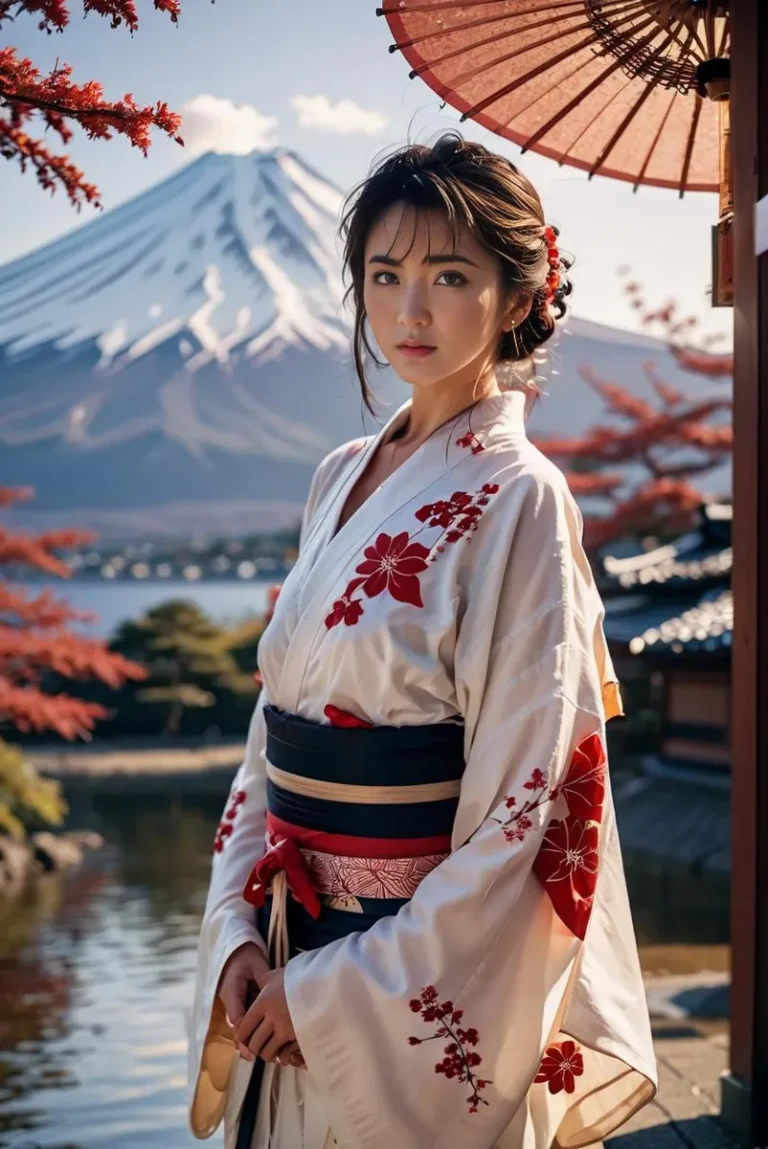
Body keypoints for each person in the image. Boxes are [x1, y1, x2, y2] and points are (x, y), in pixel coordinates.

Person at [187, 132, 657, 1149]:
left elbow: (525, 804)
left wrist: (341, 991)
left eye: (450, 275)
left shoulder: (522, 497)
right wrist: (235, 933)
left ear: (519, 293)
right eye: (384, 274)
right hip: (281, 951)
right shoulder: (338, 474)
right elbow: (272, 730)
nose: (410, 310)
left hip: (390, 979)